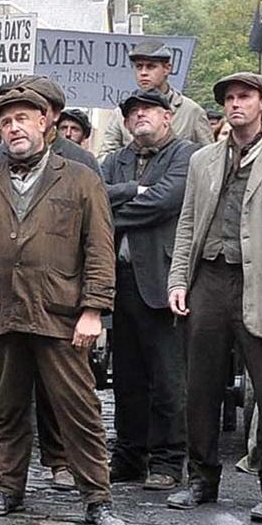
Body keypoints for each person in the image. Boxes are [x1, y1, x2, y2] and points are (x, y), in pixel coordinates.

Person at [0, 81, 124, 525]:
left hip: (61, 314)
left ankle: (97, 498)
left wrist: (93, 311)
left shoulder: (81, 178)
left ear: (45, 122)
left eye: (23, 119)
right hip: (4, 313)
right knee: (6, 408)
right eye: (6, 122)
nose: (13, 129)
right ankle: (9, 489)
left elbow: (100, 251)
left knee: (79, 408)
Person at [168, 71, 262, 520]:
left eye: (245, 97)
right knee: (201, 388)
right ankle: (200, 478)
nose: (236, 105)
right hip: (209, 279)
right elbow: (188, 224)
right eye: (230, 98)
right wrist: (179, 280)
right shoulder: (204, 161)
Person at [100, 87, 195, 491]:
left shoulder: (186, 155)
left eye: (148, 110)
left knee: (167, 377)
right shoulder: (114, 160)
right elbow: (96, 202)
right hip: (118, 281)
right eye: (133, 112)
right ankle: (129, 456)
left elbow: (165, 201)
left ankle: (169, 460)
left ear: (167, 117)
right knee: (126, 377)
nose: (140, 116)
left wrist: (125, 205)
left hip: (163, 280)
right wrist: (129, 192)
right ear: (125, 123)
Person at [92, 42, 212, 157]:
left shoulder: (191, 112)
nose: (143, 73)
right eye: (139, 67)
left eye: (151, 67)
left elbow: (209, 158)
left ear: (167, 69)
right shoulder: (121, 113)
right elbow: (105, 157)